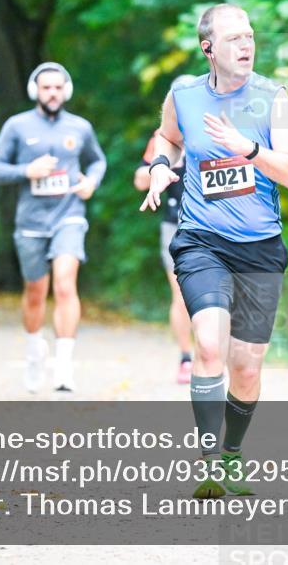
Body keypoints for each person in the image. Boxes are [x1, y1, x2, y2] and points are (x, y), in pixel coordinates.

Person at [139, 4, 288, 498]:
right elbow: (167, 141)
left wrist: (248, 150)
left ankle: (232, 456)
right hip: (201, 239)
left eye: (251, 36)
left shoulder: (273, 98)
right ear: (208, 48)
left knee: (247, 367)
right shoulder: (184, 95)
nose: (247, 45)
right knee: (209, 344)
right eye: (234, 38)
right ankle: (209, 461)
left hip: (260, 246)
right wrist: (159, 169)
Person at [0, 62, 107, 393]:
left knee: (66, 285)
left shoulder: (80, 127)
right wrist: (28, 170)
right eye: (46, 88)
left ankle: (64, 366)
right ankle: (33, 354)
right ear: (35, 91)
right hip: (30, 222)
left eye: (57, 87)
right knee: (35, 292)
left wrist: (91, 181)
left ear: (65, 91)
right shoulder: (16, 126)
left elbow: (97, 160)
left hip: (69, 214)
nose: (52, 93)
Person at [134, 78, 196, 384]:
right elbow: (139, 180)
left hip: (213, 224)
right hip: (174, 225)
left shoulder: (214, 129)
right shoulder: (162, 137)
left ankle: (215, 355)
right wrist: (160, 169)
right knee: (182, 295)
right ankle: (186, 358)